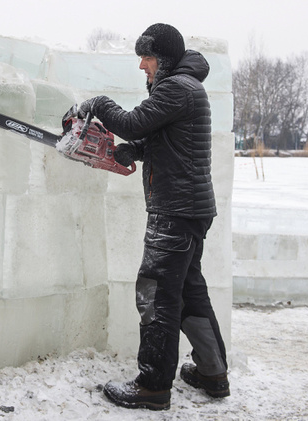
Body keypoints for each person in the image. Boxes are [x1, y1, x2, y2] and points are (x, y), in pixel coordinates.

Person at [75, 23, 229, 410]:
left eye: (147, 57)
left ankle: (153, 385)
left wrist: (98, 103)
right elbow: (164, 136)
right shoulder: (186, 87)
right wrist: (135, 151)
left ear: (164, 58)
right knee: (189, 292)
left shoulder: (177, 87)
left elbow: (130, 121)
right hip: (191, 210)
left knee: (157, 296)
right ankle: (212, 372)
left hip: (174, 212)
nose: (142, 65)